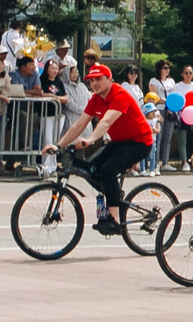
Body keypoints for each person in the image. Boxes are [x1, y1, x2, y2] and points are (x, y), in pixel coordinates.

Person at [41, 62, 156, 236]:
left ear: (109, 80)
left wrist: (90, 139)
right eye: (91, 81)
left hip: (139, 142)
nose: (94, 84)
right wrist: (58, 145)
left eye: (98, 79)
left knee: (108, 170)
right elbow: (79, 124)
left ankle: (114, 219)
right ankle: (114, 194)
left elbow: (106, 121)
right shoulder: (95, 99)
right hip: (119, 142)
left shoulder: (120, 95)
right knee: (91, 169)